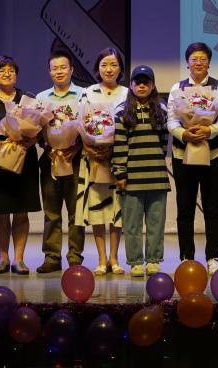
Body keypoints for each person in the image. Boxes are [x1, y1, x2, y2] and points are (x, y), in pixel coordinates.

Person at [167, 42, 218, 274]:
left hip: (212, 154)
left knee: (212, 208)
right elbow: (171, 119)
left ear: (209, 62)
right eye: (194, 59)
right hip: (183, 155)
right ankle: (186, 257)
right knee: (185, 208)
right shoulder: (177, 88)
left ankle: (212, 256)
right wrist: (184, 133)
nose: (199, 63)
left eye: (203, 59)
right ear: (187, 63)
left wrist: (209, 130)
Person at [0, 55, 41, 275]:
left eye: (11, 70)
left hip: (25, 159)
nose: (7, 74)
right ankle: (3, 258)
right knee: (1, 212)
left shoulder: (27, 99)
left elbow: (39, 127)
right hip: (0, 161)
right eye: (1, 70)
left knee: (21, 211)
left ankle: (19, 259)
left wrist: (32, 139)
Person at [113, 66, 170, 277]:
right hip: (132, 178)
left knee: (156, 224)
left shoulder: (162, 110)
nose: (142, 86)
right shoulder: (122, 111)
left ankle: (153, 260)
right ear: (131, 85)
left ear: (153, 85)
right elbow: (119, 144)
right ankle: (135, 262)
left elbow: (164, 144)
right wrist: (120, 172)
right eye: (138, 82)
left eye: (147, 82)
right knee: (132, 224)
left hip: (157, 177)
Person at [78, 48, 129, 275]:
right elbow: (79, 121)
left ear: (120, 68)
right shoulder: (88, 92)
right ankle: (101, 259)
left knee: (117, 209)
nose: (109, 69)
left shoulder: (127, 93)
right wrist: (89, 146)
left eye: (114, 65)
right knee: (97, 208)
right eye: (104, 65)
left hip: (118, 159)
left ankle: (114, 259)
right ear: (97, 68)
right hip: (93, 159)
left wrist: (113, 148)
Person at [35, 50, 86, 274]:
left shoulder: (83, 95)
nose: (59, 72)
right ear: (49, 72)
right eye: (54, 68)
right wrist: (47, 145)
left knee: (76, 213)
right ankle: (52, 257)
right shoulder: (41, 98)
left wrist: (76, 146)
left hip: (76, 160)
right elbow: (35, 129)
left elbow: (90, 124)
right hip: (50, 160)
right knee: (51, 213)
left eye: (63, 67)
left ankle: (75, 256)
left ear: (72, 69)